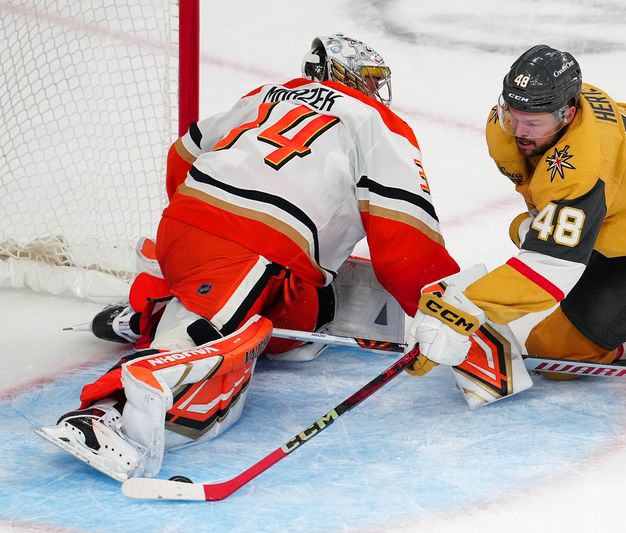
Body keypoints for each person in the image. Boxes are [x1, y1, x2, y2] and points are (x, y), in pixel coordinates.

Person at [36, 33, 459, 481]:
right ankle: (102, 414)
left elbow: (183, 154)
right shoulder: (378, 123)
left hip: (187, 223)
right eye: (369, 80)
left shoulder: (266, 94)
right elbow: (405, 240)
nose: (375, 91)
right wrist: (441, 305)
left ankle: (148, 310)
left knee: (295, 338)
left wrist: (199, 224)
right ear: (344, 77)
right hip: (252, 248)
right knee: (200, 336)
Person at [408, 44, 626, 380]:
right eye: (511, 114)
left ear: (568, 114)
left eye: (532, 123)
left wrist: (462, 310)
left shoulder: (582, 168)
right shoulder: (530, 116)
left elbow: (549, 269)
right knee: (527, 231)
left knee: (554, 352)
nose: (517, 131)